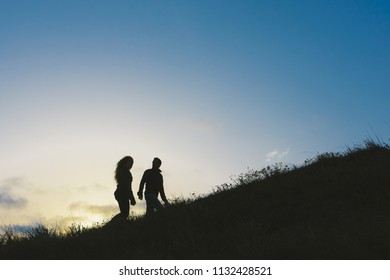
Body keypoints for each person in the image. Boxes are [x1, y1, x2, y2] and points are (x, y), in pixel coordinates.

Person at [113, 156, 136, 220]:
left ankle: (112, 226)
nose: (131, 164)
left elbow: (128, 186)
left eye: (132, 163)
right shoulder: (124, 171)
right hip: (121, 193)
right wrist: (132, 198)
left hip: (122, 193)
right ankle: (109, 226)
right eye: (130, 162)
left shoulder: (124, 171)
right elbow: (126, 186)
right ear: (125, 162)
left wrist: (131, 197)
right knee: (124, 213)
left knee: (124, 213)